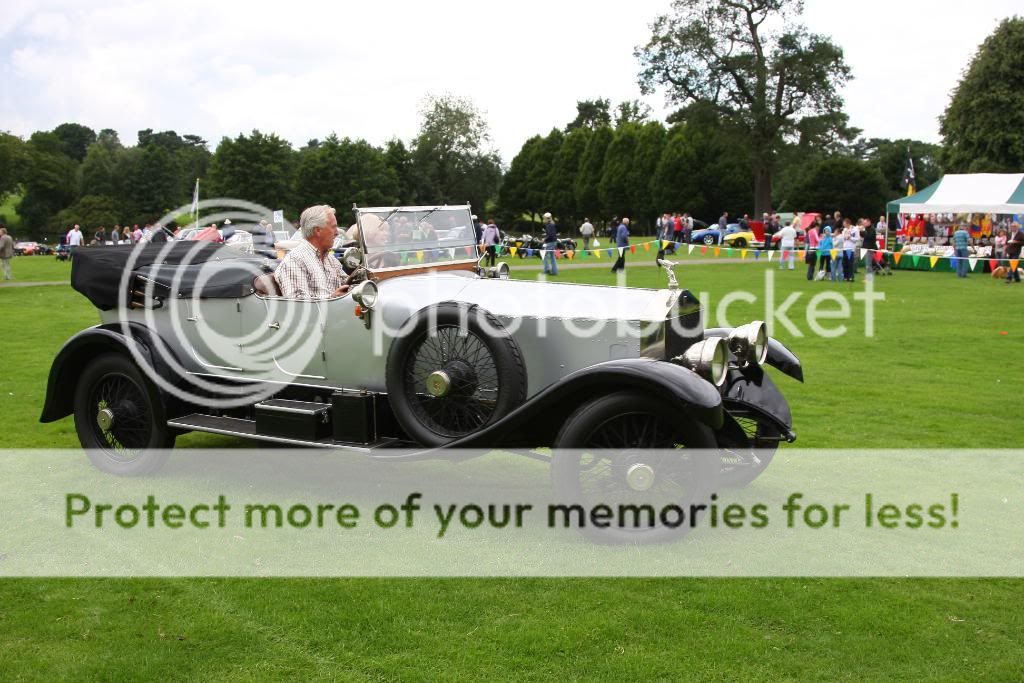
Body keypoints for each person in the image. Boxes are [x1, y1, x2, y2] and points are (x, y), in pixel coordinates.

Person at [274, 204, 351, 299]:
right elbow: (298, 305)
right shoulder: (294, 261)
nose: (337, 232)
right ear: (318, 230)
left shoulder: (331, 260)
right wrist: (332, 298)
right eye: (333, 227)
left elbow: (348, 284)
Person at [541, 212, 558, 276]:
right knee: (552, 257)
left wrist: (544, 239)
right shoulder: (552, 224)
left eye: (544, 218)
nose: (544, 219)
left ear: (547, 219)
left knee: (543, 255)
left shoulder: (549, 225)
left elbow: (550, 235)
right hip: (554, 242)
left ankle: (547, 270)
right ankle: (554, 271)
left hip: (550, 242)